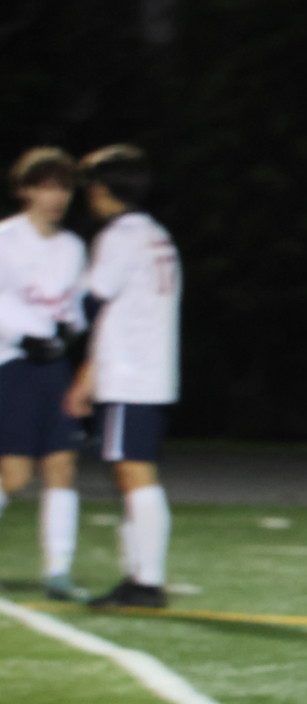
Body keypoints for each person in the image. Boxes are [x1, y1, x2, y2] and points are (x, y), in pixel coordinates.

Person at [64, 145, 182, 610]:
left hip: (131, 373)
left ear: (100, 189)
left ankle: (146, 582)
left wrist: (51, 323)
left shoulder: (119, 236)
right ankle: (140, 574)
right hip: (150, 370)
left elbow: (92, 301)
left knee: (134, 472)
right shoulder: (155, 234)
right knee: (131, 470)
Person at [0, 147, 88, 600]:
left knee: (61, 465)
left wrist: (70, 330)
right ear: (25, 190)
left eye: (64, 188)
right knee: (13, 476)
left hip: (54, 367)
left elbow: (73, 307)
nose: (56, 197)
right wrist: (21, 335)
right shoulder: (5, 238)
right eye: (47, 187)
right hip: (11, 365)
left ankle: (58, 571)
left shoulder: (72, 247)